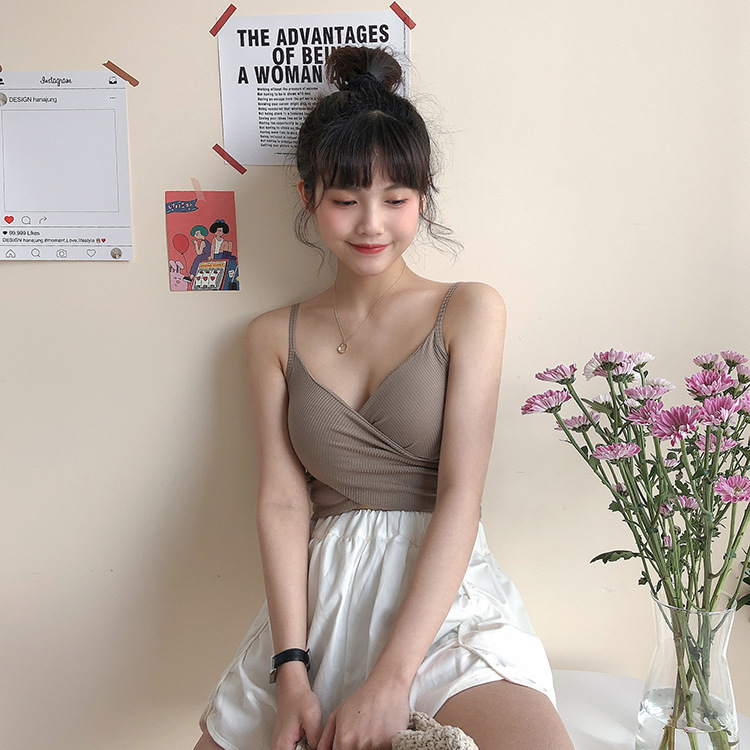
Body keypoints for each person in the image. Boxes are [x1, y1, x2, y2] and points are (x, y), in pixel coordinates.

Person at [193, 46, 574, 750]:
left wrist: (393, 678)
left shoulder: (469, 310)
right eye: (345, 200)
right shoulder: (271, 336)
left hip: (442, 596)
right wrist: (290, 669)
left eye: (395, 200)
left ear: (422, 197)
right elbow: (283, 504)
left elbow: (461, 493)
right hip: (316, 603)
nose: (371, 223)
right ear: (309, 196)